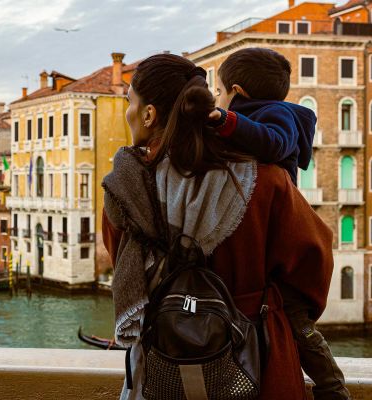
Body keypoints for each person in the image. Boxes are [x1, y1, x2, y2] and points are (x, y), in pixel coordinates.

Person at [102, 53, 334, 399]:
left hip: (161, 362)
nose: (128, 112)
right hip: (261, 359)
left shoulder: (123, 189)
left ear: (148, 114)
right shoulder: (268, 180)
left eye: (129, 102)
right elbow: (314, 261)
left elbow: (117, 254)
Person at [209, 47, 349, 399]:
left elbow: (273, 144)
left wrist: (223, 121)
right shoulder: (252, 124)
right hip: (267, 245)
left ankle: (333, 389)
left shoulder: (279, 116)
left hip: (280, 251)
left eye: (220, 93)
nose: (218, 100)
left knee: (299, 326)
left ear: (237, 93)